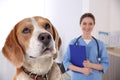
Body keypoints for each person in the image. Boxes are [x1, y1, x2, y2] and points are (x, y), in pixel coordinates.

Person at [63, 13, 109, 80]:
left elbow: (105, 64)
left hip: (94, 77)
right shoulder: (73, 43)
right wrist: (82, 70)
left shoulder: (100, 44)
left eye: (90, 24)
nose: (87, 27)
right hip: (77, 77)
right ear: (80, 24)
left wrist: (91, 65)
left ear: (94, 25)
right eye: (84, 23)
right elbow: (66, 62)